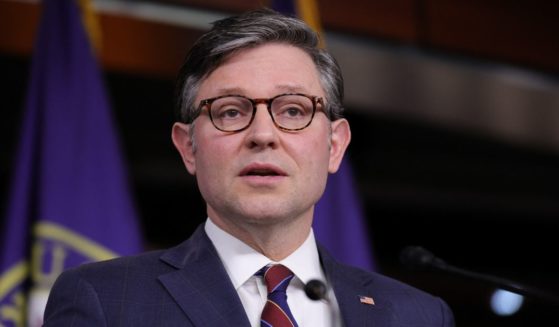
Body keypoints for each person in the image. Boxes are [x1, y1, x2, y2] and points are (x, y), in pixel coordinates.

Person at [43, 8, 454, 327]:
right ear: (188, 147)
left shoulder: (415, 315)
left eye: (293, 110)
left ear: (334, 146)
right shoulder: (105, 299)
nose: (263, 134)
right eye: (231, 111)